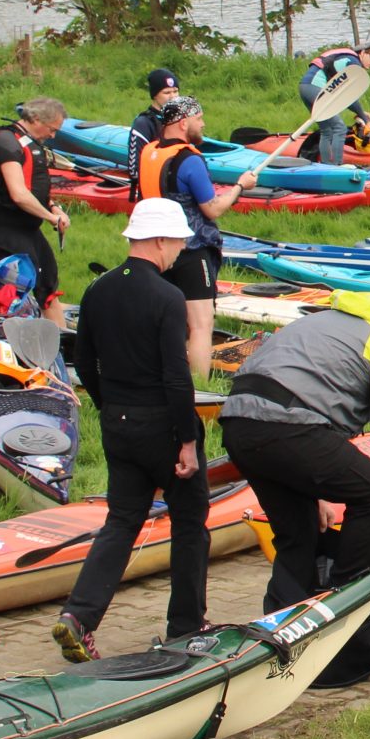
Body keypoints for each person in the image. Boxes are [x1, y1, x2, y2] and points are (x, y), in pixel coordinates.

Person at [57, 198, 211, 662]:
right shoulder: (167, 297)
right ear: (160, 240)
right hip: (163, 425)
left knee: (122, 522)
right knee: (189, 523)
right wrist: (188, 440)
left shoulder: (97, 290)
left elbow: (84, 362)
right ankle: (186, 624)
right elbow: (176, 376)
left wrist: (109, 407)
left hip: (118, 422)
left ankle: (78, 616)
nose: (181, 251)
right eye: (179, 242)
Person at [216, 285, 370, 614]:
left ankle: (282, 622)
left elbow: (316, 397)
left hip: (238, 424)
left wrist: (317, 489)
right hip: (287, 426)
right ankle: (347, 600)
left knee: (299, 535)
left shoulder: (323, 320)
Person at [135, 95, 265, 378]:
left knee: (168, 322)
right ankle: (199, 387)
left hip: (155, 250)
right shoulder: (189, 159)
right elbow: (212, 208)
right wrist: (240, 187)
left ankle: (163, 375)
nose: (203, 124)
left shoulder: (149, 152)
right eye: (199, 118)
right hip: (191, 252)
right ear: (183, 123)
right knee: (200, 324)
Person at [0, 97, 74, 328]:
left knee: (48, 286)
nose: (53, 136)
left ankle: (59, 340)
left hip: (29, 231)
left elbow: (34, 185)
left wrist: (53, 207)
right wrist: (50, 217)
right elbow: (18, 193)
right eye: (51, 129)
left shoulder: (31, 143)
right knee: (17, 297)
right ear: (36, 119)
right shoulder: (6, 142)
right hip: (6, 233)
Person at [299, 42, 370, 167]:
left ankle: (325, 166)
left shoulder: (347, 58)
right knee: (339, 128)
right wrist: (364, 117)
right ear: (362, 53)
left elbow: (344, 97)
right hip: (315, 88)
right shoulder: (353, 63)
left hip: (305, 87)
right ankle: (337, 166)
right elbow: (349, 96)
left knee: (327, 130)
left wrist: (360, 113)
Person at [129, 69, 180, 172]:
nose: (173, 97)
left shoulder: (180, 120)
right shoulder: (144, 124)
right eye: (167, 92)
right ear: (155, 95)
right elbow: (134, 170)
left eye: (175, 91)